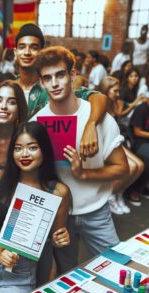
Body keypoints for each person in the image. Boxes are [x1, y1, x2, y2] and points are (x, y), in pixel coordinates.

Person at [32, 46, 129, 272]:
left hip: (96, 211)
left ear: (72, 76)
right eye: (47, 78)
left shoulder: (98, 119)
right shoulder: (37, 123)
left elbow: (121, 168)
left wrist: (84, 173)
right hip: (60, 215)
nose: (54, 83)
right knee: (68, 275)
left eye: (60, 75)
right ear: (42, 83)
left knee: (115, 269)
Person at [0, 121, 71, 293]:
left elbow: (54, 238)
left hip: (21, 274)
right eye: (18, 148)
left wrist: (60, 238)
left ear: (44, 150)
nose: (24, 154)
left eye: (32, 148)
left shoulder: (58, 192)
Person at [13, 23, 108, 160]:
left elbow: (98, 97)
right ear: (15, 51)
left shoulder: (53, 87)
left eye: (34, 47)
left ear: (42, 52)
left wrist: (91, 124)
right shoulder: (8, 88)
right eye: (22, 47)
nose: (27, 52)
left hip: (48, 161)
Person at [99, 76, 144, 210]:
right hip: (106, 143)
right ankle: (109, 197)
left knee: (139, 165)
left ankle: (119, 193)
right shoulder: (99, 105)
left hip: (116, 141)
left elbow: (121, 113)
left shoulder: (113, 103)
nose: (118, 94)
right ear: (106, 90)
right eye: (115, 91)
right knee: (130, 167)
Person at [129, 98, 149, 200]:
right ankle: (134, 190)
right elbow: (137, 132)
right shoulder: (142, 109)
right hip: (138, 141)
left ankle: (143, 186)